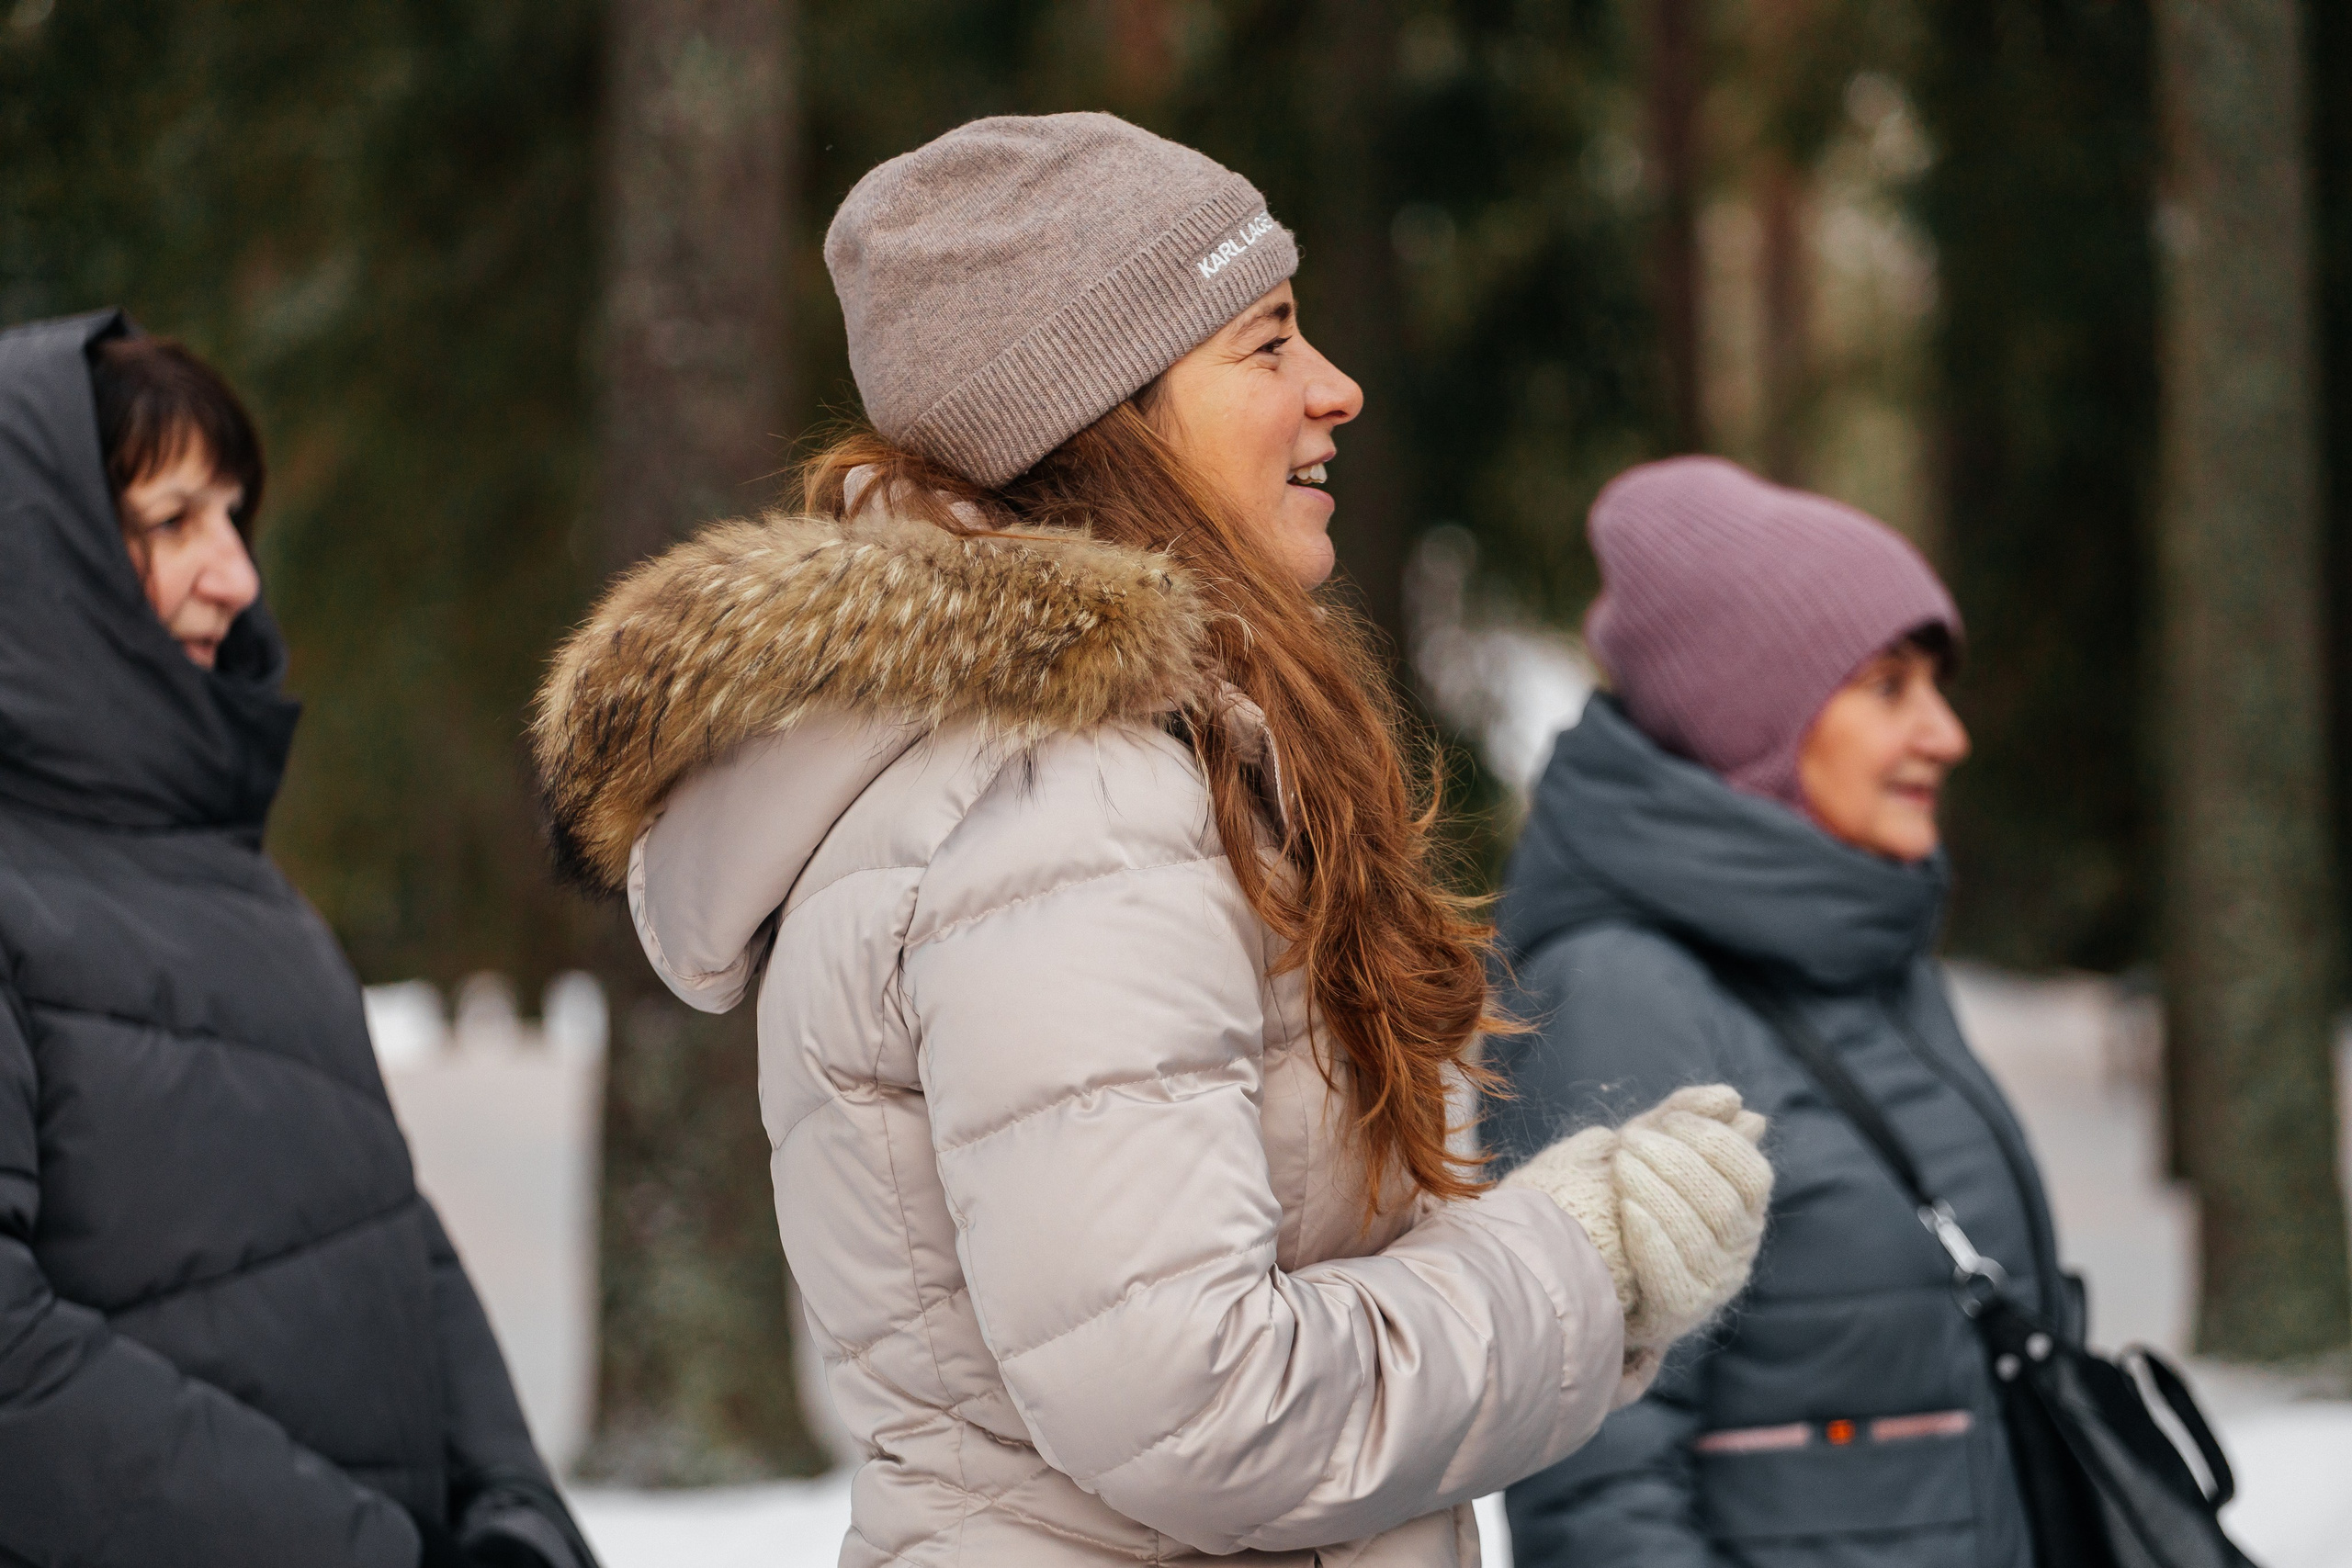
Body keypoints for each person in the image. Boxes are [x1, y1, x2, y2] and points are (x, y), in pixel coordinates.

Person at [532, 113, 1775, 1566]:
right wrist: (1582, 1259)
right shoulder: (1069, 802)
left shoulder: (1118, 767)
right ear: (1103, 414)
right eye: (1265, 341)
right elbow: (1199, 1402)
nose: (1337, 387)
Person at [0, 311, 597, 1568]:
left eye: (232, 517)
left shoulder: (243, 882)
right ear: (36, 559)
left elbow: (388, 1227)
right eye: (171, 522)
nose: (234, 574)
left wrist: (517, 1514)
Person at [1488, 456, 2075, 1568]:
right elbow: (1595, 1495)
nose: (1945, 734)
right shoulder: (1620, 993)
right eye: (1889, 687)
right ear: (1750, 711)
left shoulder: (1869, 947)